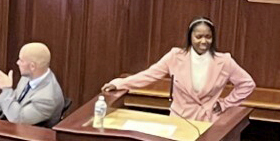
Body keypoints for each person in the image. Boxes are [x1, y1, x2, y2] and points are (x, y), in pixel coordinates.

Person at [101, 17, 256, 124]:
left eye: (208, 37)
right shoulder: (175, 56)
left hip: (208, 122)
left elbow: (247, 84)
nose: (204, 41)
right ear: (190, 37)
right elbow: (149, 75)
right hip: (179, 120)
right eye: (199, 36)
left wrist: (225, 104)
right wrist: (120, 84)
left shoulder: (224, 61)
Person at [0, 42, 65, 126]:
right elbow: (13, 98)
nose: (17, 62)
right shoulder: (28, 77)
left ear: (32, 66)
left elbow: (18, 119)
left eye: (21, 60)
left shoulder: (47, 98)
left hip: (29, 138)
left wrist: (6, 89)